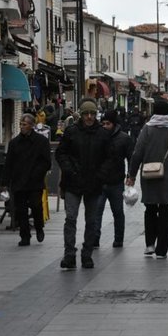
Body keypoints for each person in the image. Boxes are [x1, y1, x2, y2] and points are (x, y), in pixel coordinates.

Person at [55, 98, 115, 269]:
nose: (89, 117)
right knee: (71, 218)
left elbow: (110, 158)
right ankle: (69, 254)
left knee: (91, 220)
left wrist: (100, 175)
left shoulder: (103, 134)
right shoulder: (72, 132)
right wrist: (69, 170)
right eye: (86, 114)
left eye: (92, 114)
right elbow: (61, 153)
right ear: (81, 115)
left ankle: (87, 254)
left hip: (93, 183)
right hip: (73, 182)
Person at [126, 100, 168, 259]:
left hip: (149, 174)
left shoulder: (147, 129)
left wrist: (131, 175)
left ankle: (150, 244)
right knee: (166, 211)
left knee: (150, 209)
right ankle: (162, 249)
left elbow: (137, 153)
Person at [1, 113, 51, 246]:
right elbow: (9, 163)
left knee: (36, 206)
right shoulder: (14, 143)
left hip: (35, 181)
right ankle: (25, 235)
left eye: (25, 124)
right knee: (20, 209)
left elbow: (46, 162)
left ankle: (39, 227)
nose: (22, 127)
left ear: (32, 125)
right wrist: (5, 182)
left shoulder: (41, 142)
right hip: (19, 181)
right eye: (21, 124)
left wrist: (37, 173)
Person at [94, 110, 133, 248]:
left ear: (114, 124)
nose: (105, 126)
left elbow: (131, 158)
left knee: (117, 212)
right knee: (96, 212)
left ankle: (118, 239)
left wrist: (130, 175)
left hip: (116, 181)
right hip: (99, 181)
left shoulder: (124, 138)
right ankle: (95, 239)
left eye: (108, 123)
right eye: (103, 123)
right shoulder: (97, 137)